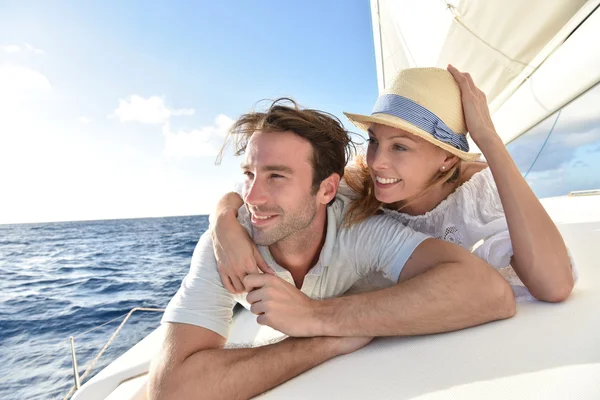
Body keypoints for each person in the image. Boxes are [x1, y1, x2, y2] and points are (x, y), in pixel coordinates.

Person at [148, 98, 516, 400]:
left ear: (327, 190)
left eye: (276, 176)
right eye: (249, 174)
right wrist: (321, 342)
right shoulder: (226, 245)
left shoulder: (360, 229)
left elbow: (491, 293)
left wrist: (315, 316)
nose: (253, 198)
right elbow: (169, 393)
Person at [211, 66, 576, 338]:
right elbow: (265, 189)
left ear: (448, 159)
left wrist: (488, 138)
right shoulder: (359, 182)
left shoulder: (477, 197)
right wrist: (224, 223)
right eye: (374, 141)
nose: (377, 161)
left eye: (400, 147)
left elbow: (555, 286)